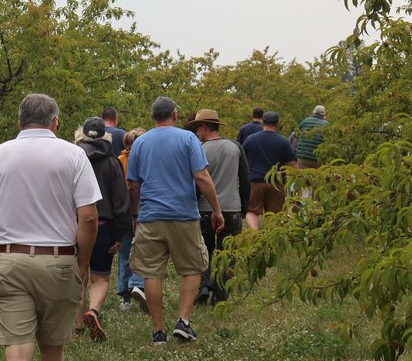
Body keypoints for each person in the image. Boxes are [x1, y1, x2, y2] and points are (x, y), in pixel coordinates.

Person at [0, 93, 100, 361]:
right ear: (55, 123)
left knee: (17, 355)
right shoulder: (73, 155)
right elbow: (88, 218)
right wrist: (82, 264)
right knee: (52, 348)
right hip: (57, 261)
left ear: (19, 122)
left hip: (9, 260)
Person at [126, 97, 224, 345]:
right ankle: (184, 320)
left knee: (151, 273)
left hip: (150, 217)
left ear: (152, 117)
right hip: (184, 215)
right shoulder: (188, 139)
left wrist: (135, 214)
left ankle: (158, 330)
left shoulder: (140, 143)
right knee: (192, 268)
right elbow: (201, 176)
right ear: (175, 115)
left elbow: (133, 185)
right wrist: (216, 209)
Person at [72, 117, 132, 343]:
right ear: (106, 137)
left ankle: (78, 324)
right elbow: (121, 199)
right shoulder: (112, 162)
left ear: (81, 135)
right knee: (101, 278)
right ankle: (94, 311)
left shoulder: (72, 160)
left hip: (75, 224)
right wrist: (121, 232)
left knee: (79, 274)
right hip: (104, 227)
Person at [185, 109, 250, 304]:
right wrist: (243, 208)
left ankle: (203, 286)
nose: (196, 133)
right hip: (232, 208)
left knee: (203, 250)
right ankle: (220, 296)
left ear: (204, 127)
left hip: (203, 209)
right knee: (227, 254)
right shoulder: (235, 147)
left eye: (197, 128)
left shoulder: (199, 150)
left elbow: (195, 182)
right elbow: (245, 180)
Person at [241, 110, 296, 230]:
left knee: (251, 211)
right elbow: (293, 164)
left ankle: (254, 235)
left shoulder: (251, 139)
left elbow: (242, 159)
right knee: (275, 214)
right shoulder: (283, 141)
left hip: (255, 181)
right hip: (276, 183)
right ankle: (270, 239)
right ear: (277, 124)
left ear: (263, 123)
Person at [115, 128, 146, 312]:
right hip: (142, 211)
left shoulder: (120, 160)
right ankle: (138, 284)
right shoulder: (144, 160)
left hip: (124, 213)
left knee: (124, 254)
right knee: (143, 252)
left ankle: (125, 295)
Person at [295, 105, 329, 169]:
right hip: (318, 159)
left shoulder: (305, 121)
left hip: (303, 157)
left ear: (313, 112)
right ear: (324, 114)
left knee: (303, 177)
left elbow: (296, 135)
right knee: (317, 177)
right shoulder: (327, 125)